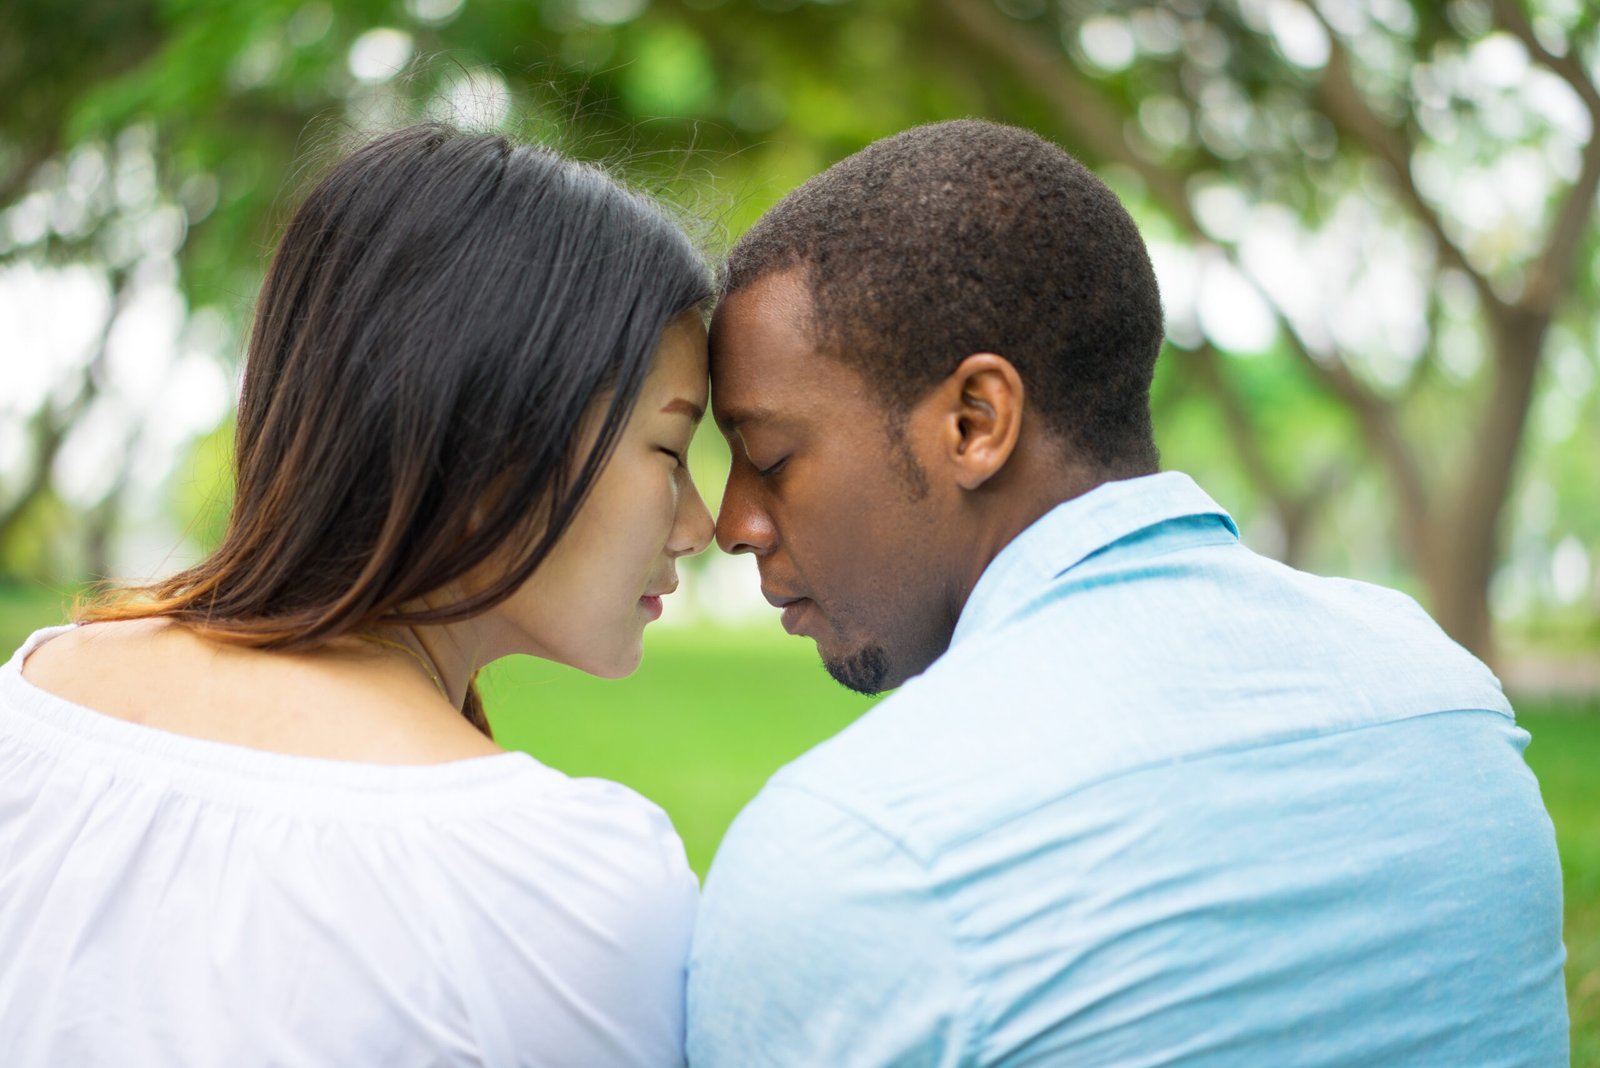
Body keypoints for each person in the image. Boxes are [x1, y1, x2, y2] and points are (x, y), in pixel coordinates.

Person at [687, 120, 1569, 1065]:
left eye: (771, 457)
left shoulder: (854, 855)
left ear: (975, 423)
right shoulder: (1445, 699)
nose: (731, 522)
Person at [0, 124, 716, 1067]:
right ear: (496, 430)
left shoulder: (36, 698)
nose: (700, 522)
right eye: (670, 449)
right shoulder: (560, 873)